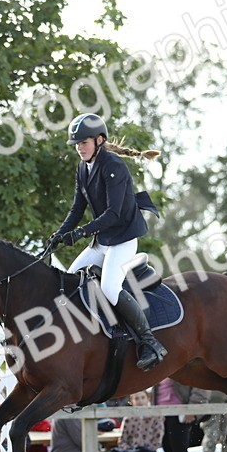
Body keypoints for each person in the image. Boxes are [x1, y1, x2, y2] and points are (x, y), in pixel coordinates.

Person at [50, 112, 166, 372]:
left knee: (110, 288)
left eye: (84, 143)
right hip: (103, 240)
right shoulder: (83, 167)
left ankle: (150, 342)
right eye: (77, 144)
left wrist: (80, 233)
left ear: (99, 140)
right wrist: (59, 234)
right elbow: (77, 208)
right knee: (69, 281)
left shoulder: (114, 166)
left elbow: (114, 214)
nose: (80, 148)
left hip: (123, 239)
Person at [154, 377, 194, 452]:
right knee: (168, 451)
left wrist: (192, 409)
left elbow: (200, 389)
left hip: (179, 414)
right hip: (160, 415)